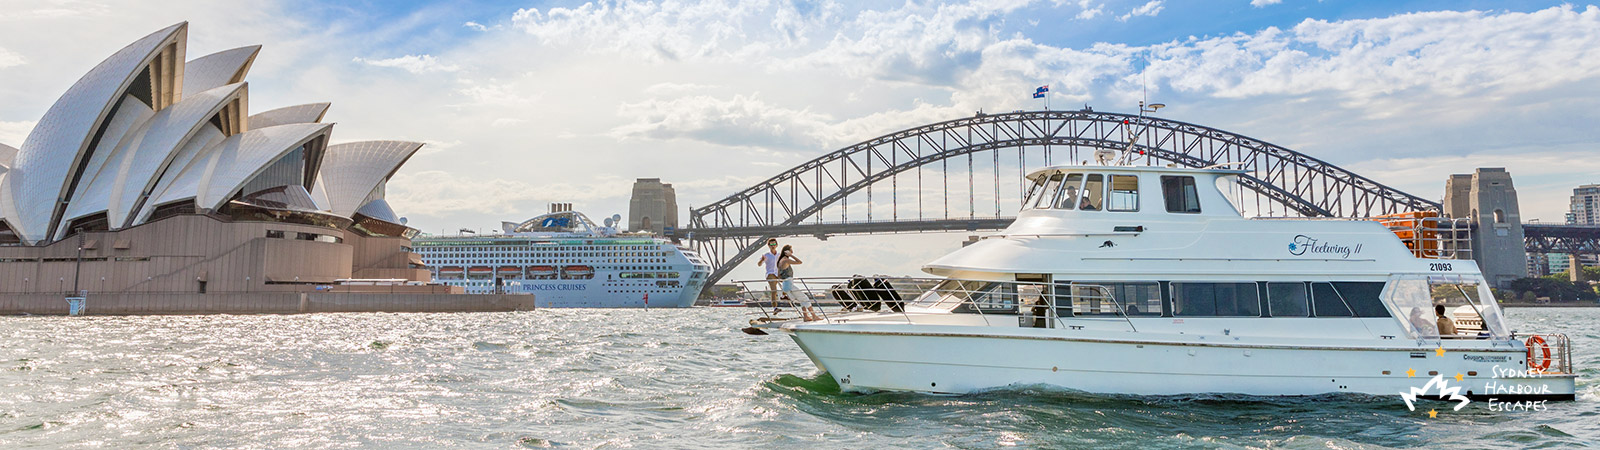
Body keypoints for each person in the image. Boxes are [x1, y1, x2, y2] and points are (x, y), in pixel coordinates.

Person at [778, 245, 817, 321]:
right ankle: (814, 316)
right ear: (787, 252)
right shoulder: (785, 260)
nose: (792, 252)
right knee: (805, 299)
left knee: (802, 299)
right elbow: (799, 262)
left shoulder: (780, 261)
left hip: (786, 285)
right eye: (791, 251)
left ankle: (806, 316)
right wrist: (791, 255)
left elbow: (779, 275)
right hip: (789, 284)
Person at [754, 238, 782, 308]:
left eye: (774, 244)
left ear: (777, 245)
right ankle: (775, 308)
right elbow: (759, 264)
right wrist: (762, 260)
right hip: (770, 274)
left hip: (778, 274)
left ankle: (784, 296)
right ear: (768, 246)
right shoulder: (766, 255)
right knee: (774, 290)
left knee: (787, 284)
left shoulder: (779, 255)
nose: (773, 246)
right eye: (771, 244)